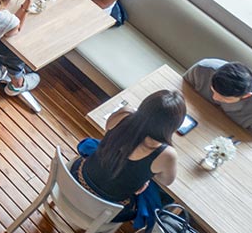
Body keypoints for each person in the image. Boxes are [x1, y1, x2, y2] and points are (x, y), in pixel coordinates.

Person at [70, 90, 184, 222]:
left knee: (93, 145)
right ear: (172, 126)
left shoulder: (124, 113)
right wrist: (145, 177)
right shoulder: (166, 154)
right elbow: (166, 181)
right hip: (109, 209)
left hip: (77, 177)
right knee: (163, 196)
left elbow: (107, 128)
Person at [184, 59, 252, 142]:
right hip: (191, 115)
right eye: (213, 90)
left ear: (246, 96)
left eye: (225, 98)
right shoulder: (203, 69)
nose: (215, 98)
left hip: (222, 137)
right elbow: (180, 90)